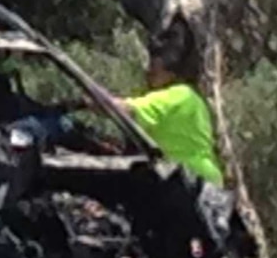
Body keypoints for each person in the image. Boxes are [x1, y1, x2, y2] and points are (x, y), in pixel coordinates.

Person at [96, 30, 224, 187]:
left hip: (190, 183)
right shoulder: (193, 99)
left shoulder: (177, 96)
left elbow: (130, 110)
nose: (148, 72)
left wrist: (93, 102)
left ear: (171, 72)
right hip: (202, 182)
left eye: (153, 68)